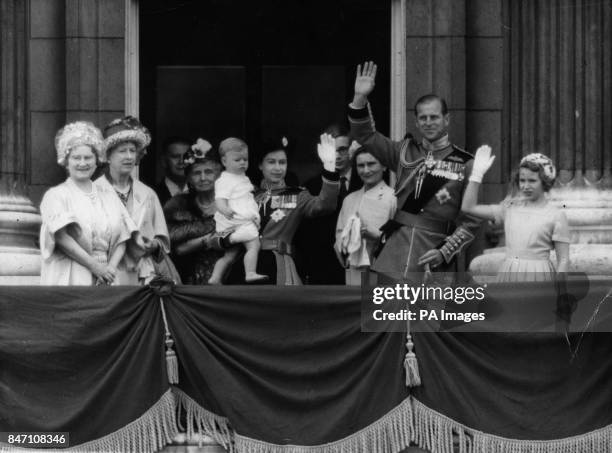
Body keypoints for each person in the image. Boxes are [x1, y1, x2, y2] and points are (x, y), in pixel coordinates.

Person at [348, 61, 481, 281]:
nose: (429, 123)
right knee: (388, 315)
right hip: (393, 256)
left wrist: (444, 252)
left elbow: (472, 221)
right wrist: (360, 98)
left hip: (433, 258)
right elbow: (366, 136)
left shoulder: (466, 163)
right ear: (416, 123)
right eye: (423, 118)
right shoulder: (402, 152)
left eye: (434, 117)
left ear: (446, 120)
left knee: (427, 317)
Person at [224, 134, 340, 285]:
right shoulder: (247, 195)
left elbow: (325, 205)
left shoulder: (297, 195)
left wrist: (330, 167)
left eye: (282, 163)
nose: (277, 168)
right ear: (260, 165)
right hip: (245, 264)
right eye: (271, 162)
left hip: (278, 264)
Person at [39, 121, 136, 285]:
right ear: (66, 161)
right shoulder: (56, 195)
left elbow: (124, 236)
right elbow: (61, 238)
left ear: (96, 160)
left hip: (107, 277)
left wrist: (110, 269)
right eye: (76, 158)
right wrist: (96, 267)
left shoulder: (108, 194)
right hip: (72, 272)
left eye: (88, 157)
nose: (83, 163)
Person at [461, 147, 570, 281]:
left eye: (532, 181)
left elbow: (563, 259)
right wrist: (476, 176)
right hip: (510, 273)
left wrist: (561, 288)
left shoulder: (556, 215)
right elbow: (468, 207)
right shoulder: (509, 208)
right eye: (522, 180)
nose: (525, 186)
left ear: (545, 182)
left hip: (540, 275)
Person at [94, 116, 171, 285]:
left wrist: (153, 245)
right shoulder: (94, 192)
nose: (129, 156)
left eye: (132, 150)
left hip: (142, 275)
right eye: (122, 151)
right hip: (107, 274)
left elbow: (162, 241)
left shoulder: (148, 193)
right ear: (108, 157)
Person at [297, 124, 363, 284]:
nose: (337, 155)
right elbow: (305, 236)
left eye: (342, 149)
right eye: (332, 150)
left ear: (352, 149)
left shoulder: (366, 181)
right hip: (323, 269)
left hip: (361, 265)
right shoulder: (311, 187)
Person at [163, 139, 226, 284]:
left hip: (228, 279)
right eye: (197, 173)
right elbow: (175, 246)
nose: (203, 178)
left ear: (219, 175)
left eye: (209, 172)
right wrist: (209, 238)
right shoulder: (178, 205)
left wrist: (195, 242)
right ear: (189, 178)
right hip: (187, 281)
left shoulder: (232, 202)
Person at [334, 145, 397, 285]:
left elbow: (401, 240)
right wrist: (347, 239)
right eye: (361, 165)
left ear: (384, 166)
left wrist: (375, 235)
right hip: (354, 269)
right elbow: (338, 235)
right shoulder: (349, 199)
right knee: (355, 305)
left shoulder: (393, 198)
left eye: (371, 164)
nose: (366, 170)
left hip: (383, 270)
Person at [210, 137, 267, 284]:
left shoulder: (242, 177)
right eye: (237, 160)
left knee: (229, 256)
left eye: (245, 159)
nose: (242, 163)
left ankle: (215, 278)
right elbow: (220, 200)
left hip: (239, 220)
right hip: (237, 220)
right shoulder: (225, 180)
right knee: (254, 246)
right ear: (224, 162)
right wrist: (225, 210)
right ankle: (250, 272)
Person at [155, 136, 191, 206]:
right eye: (175, 156)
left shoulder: (200, 192)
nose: (181, 161)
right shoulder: (152, 194)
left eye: (186, 157)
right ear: (164, 161)